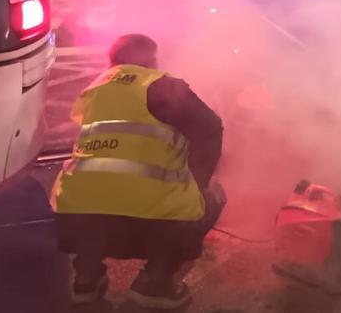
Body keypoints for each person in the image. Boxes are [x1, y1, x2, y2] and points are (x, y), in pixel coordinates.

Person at [52, 34, 225, 308]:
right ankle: (155, 283)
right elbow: (211, 128)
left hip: (76, 218)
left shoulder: (93, 91)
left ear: (112, 62)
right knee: (214, 194)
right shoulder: (161, 85)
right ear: (152, 60)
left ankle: (85, 278)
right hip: (145, 224)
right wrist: (197, 184)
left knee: (93, 189)